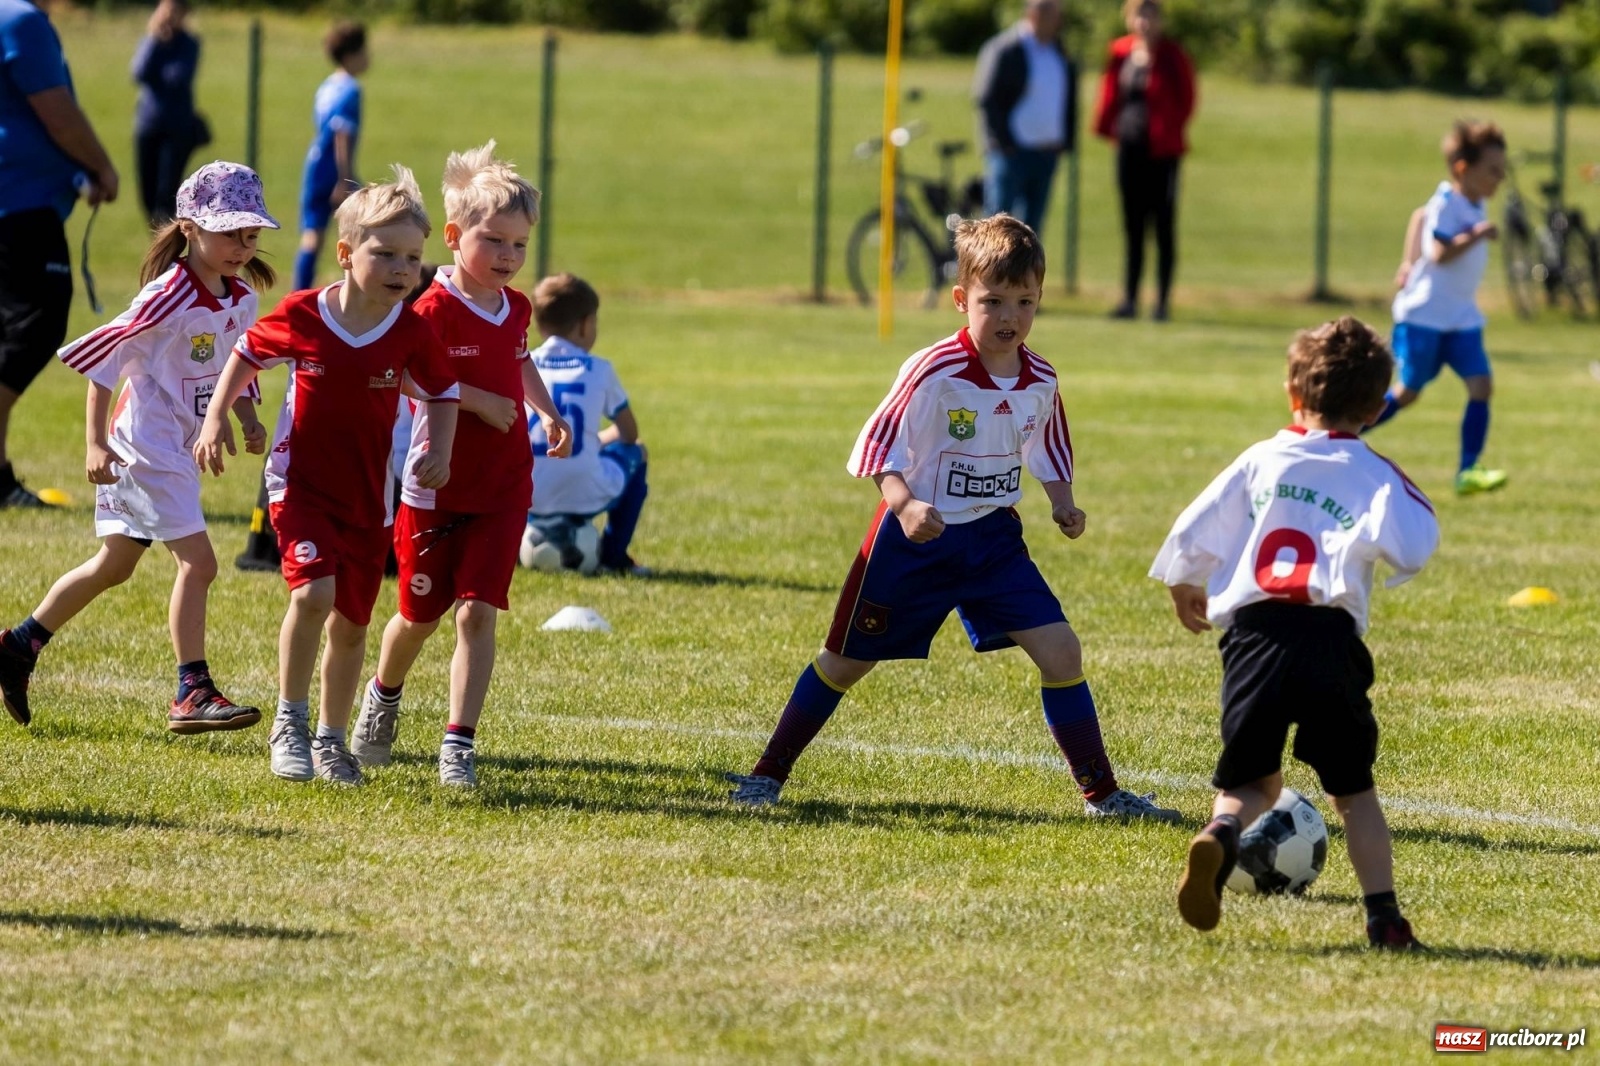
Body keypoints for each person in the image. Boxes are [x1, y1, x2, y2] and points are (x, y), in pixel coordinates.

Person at [727, 214, 1179, 822]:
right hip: (915, 540)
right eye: (993, 302)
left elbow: (1047, 441)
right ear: (962, 299)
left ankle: (1105, 796)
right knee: (845, 663)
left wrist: (1062, 500)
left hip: (993, 542)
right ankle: (765, 776)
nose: (1010, 317)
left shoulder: (1040, 377)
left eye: (1026, 302)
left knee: (1063, 653)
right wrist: (905, 503)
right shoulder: (933, 368)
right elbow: (880, 441)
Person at [1150, 316, 1439, 951]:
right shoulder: (1372, 469)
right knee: (1353, 793)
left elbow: (1195, 526)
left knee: (1253, 785)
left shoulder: (1260, 458)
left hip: (1252, 637)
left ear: (1293, 393)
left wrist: (1184, 580)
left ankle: (1223, 833)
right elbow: (1417, 539)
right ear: (1375, 406)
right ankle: (1384, 919)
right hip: (1330, 638)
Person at [194, 165, 461, 786]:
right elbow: (246, 353)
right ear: (344, 254)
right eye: (385, 253)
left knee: (352, 624)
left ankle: (331, 741)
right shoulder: (307, 314)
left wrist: (437, 450)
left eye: (413, 257)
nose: (402, 269)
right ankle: (289, 723)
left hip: (370, 500)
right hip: (300, 484)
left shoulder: (412, 331)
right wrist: (217, 421)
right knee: (313, 595)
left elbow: (444, 392)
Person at [0, 161, 276, 732]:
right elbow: (105, 359)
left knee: (114, 565)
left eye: (250, 235)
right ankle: (191, 691)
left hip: (172, 444)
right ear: (191, 227)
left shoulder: (241, 296)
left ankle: (19, 644)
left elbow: (233, 364)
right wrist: (95, 443)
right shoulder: (169, 293)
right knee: (199, 563)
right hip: (146, 445)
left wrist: (243, 416)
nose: (241, 247)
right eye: (229, 233)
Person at [350, 141, 571, 788]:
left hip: (503, 487)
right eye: (495, 240)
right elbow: (407, 379)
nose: (508, 257)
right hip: (435, 488)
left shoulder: (517, 308)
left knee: (478, 612)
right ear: (452, 236)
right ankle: (383, 695)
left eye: (520, 245)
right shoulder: (430, 309)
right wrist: (476, 402)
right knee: (419, 616)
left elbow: (519, 359)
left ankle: (458, 744)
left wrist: (547, 412)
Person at [0, 0, 119, 508]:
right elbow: (58, 113)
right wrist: (101, 166)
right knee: (34, 327)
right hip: (18, 205)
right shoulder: (18, 18)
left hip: (21, 200)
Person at [1371, 120, 1509, 496]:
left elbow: (1418, 216)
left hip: (1461, 318)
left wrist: (1406, 259)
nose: (1500, 178)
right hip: (1425, 317)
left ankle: (1468, 469)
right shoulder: (1449, 205)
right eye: (1493, 171)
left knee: (1481, 385)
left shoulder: (1472, 200)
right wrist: (1476, 234)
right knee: (1408, 392)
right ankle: (1340, 434)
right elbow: (1440, 253)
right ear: (1464, 169)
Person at [524, 273, 651, 576]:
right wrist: (594, 439)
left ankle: (512, 544)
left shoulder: (520, 365)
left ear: (540, 324)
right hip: (583, 493)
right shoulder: (599, 369)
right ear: (585, 324)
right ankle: (614, 556)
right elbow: (629, 434)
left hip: (524, 494)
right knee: (638, 453)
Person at [1093, 0, 1195, 322]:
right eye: (1140, 16)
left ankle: (1162, 302)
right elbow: (1111, 93)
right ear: (1130, 20)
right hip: (1129, 150)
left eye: (1151, 16)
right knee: (1133, 227)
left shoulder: (1172, 56)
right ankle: (1129, 299)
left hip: (1162, 154)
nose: (1145, 23)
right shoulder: (1122, 53)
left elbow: (1187, 99)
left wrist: (1168, 128)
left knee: (1163, 226)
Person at [972, 0, 1077, 235]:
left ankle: (1023, 274)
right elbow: (986, 97)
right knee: (997, 229)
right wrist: (1003, 143)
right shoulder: (1006, 48)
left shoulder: (1057, 50)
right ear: (1033, 14)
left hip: (1046, 152)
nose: (1057, 20)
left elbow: (1065, 97)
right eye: (1050, 13)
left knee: (1031, 234)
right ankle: (989, 274)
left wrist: (1064, 138)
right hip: (1012, 154)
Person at [293, 20, 367, 293]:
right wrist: (344, 177)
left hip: (314, 165)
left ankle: (297, 293)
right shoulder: (351, 89)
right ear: (351, 55)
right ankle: (359, 290)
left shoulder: (327, 86)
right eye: (364, 51)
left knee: (312, 235)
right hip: (334, 169)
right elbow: (341, 133)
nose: (368, 57)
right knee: (365, 226)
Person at [131, 0, 203, 225]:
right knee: (147, 193)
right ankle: (158, 242)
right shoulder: (150, 40)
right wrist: (156, 39)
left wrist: (157, 72)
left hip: (176, 127)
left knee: (167, 193)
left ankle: (167, 244)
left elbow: (178, 78)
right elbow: (138, 71)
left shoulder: (189, 43)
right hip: (147, 124)